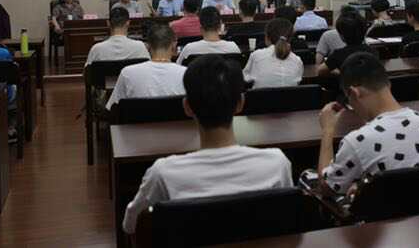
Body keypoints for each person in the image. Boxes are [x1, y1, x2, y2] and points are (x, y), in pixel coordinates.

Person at [122, 54, 293, 234]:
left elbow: (131, 225)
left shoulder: (163, 173)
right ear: (240, 104)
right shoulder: (277, 163)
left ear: (187, 107)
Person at [317, 52, 419, 195]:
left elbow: (327, 187)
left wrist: (328, 130)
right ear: (388, 84)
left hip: (385, 209)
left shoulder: (358, 141)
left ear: (354, 93)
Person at [105, 24, 185, 109]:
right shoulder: (186, 73)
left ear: (148, 46)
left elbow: (113, 107)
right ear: (174, 45)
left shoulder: (127, 73)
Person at [243, 18, 304, 88]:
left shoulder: (256, 56)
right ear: (290, 38)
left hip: (261, 95)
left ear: (267, 37)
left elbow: (245, 78)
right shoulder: (297, 61)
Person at [176, 7, 241, 65]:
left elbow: (179, 69)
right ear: (220, 26)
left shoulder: (189, 49)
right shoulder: (233, 47)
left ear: (201, 28)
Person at [317, 12, 375, 77]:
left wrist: (337, 72)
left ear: (342, 36)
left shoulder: (338, 54)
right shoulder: (372, 51)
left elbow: (320, 71)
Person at [86, 7, 150, 65]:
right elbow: (148, 69)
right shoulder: (140, 47)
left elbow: (87, 72)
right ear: (128, 23)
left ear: (108, 23)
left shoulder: (96, 49)